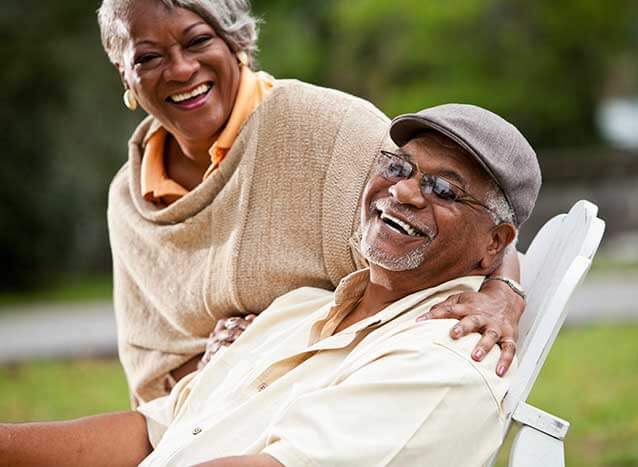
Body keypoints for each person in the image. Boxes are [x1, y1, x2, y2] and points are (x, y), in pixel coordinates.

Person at [0, 103, 541, 467]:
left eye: (443, 189)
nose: (403, 193)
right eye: (398, 166)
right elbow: (154, 433)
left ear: (495, 243)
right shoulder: (297, 310)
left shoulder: (444, 364)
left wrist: (505, 292)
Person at [98, 0, 526, 405]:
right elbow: (151, 363)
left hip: (336, 401)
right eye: (148, 57)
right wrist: (218, 369)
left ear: (235, 41)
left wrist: (503, 293)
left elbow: (469, 227)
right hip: (201, 421)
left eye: (197, 41)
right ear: (123, 74)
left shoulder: (327, 127)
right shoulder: (129, 200)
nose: (180, 69)